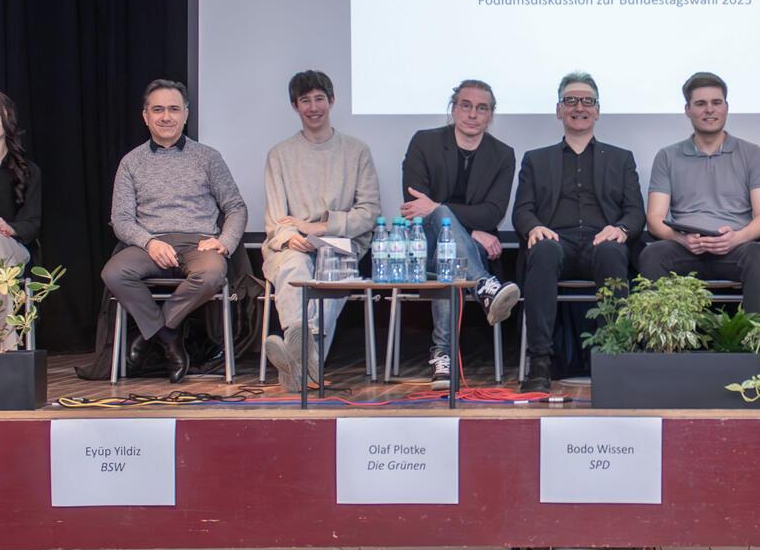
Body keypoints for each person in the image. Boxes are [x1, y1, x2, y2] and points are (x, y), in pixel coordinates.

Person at [102, 79, 248, 383]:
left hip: (199, 243)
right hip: (150, 245)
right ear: (145, 116)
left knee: (211, 274)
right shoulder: (131, 162)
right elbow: (121, 218)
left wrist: (225, 241)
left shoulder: (208, 157)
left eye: (173, 109)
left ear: (186, 114)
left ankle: (158, 332)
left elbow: (236, 207)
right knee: (114, 273)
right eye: (158, 110)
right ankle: (169, 338)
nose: (166, 116)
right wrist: (149, 242)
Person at [512, 72, 645, 393]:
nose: (579, 107)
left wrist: (621, 229)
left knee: (614, 250)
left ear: (597, 110)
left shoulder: (621, 158)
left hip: (602, 243)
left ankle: (614, 358)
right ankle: (540, 361)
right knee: (541, 249)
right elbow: (522, 210)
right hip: (557, 242)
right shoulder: (535, 159)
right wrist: (535, 227)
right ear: (559, 110)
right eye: (570, 100)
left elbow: (636, 211)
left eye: (587, 101)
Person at [261, 71, 381, 392]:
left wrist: (321, 227)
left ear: (332, 100)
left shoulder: (356, 151)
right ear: (294, 106)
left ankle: (298, 361)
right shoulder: (279, 155)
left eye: (319, 99)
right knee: (293, 268)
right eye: (305, 101)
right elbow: (275, 220)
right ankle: (307, 363)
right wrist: (292, 237)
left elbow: (369, 212)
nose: (313, 107)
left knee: (334, 270)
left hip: (339, 243)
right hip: (292, 244)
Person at [400, 79, 520, 388]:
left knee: (448, 250)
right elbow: (416, 205)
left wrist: (445, 215)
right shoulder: (424, 142)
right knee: (439, 222)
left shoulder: (503, 154)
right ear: (453, 109)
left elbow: (493, 212)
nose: (472, 114)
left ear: (490, 115)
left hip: (467, 252)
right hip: (420, 246)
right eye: (466, 105)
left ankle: (443, 357)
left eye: (482, 108)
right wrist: (471, 230)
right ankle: (485, 287)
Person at [639, 72, 760, 312]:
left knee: (759, 257)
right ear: (687, 110)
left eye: (716, 102)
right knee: (652, 255)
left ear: (726, 107)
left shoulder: (752, 153)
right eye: (700, 104)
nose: (709, 110)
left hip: (735, 247)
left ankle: (758, 343)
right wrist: (682, 239)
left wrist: (736, 238)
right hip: (685, 247)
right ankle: (661, 347)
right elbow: (654, 219)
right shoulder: (667, 156)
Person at [0, 89, 42, 352]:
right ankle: (4, 347)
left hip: (15, 250)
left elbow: (32, 223)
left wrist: (7, 228)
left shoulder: (28, 170)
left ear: (7, 117)